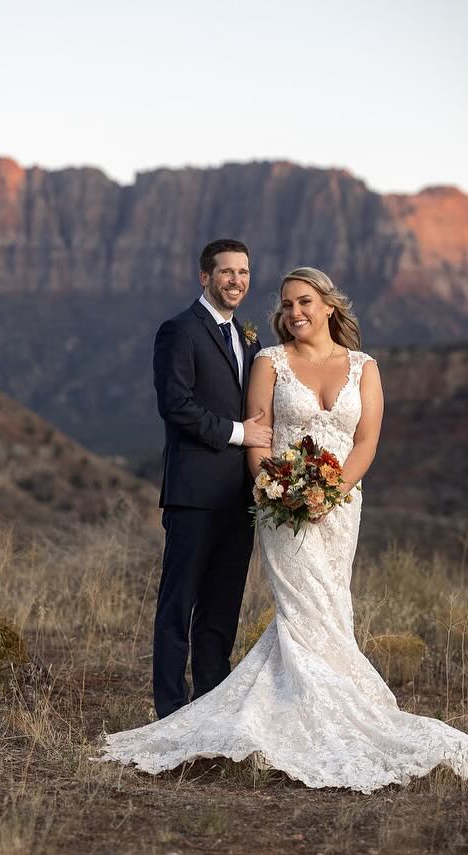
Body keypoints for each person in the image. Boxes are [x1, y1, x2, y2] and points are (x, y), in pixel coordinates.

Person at [102, 266, 468, 792]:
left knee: (333, 608)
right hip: (281, 509)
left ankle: (317, 712)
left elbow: (366, 441)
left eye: (304, 302)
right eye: (286, 304)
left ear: (329, 306)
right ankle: (304, 714)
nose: (294, 313)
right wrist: (275, 488)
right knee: (303, 609)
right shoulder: (269, 362)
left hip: (341, 507)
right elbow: (257, 438)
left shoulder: (364, 367)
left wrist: (332, 492)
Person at [150, 239, 272, 719]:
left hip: (239, 496)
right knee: (178, 606)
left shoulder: (248, 337)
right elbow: (175, 405)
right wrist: (242, 433)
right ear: (205, 277)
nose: (236, 280)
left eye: (244, 272)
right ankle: (170, 710)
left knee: (222, 607)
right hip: (194, 494)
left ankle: (211, 708)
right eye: (227, 272)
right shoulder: (178, 331)